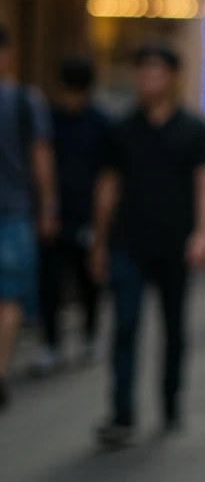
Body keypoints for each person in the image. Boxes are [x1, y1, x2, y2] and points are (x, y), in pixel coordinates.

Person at [90, 44, 205, 447]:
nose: (147, 81)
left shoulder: (193, 130)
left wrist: (203, 233)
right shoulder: (122, 128)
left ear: (173, 77)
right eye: (141, 72)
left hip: (175, 244)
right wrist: (98, 242)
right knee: (125, 325)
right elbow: (108, 187)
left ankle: (170, 400)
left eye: (155, 73)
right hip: (128, 241)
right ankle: (122, 412)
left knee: (173, 326)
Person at [32, 57, 112, 375]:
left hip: (88, 213)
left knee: (88, 279)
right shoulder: (49, 119)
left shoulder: (101, 123)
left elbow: (109, 175)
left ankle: (91, 334)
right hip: (53, 214)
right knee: (49, 281)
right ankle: (50, 343)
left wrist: (102, 222)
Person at [0, 24, 56, 411]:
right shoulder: (24, 99)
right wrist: (49, 205)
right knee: (9, 298)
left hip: (14, 210)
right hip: (13, 211)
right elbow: (40, 157)